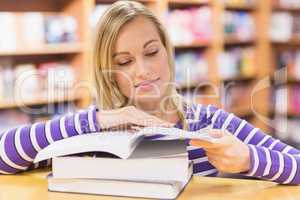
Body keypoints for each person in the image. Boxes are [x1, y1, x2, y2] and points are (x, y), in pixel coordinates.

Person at [1, 0, 300, 185]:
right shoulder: (88, 132)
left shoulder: (209, 125)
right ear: (107, 71)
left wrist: (249, 159)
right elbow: (4, 157)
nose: (142, 70)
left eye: (152, 52)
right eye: (124, 62)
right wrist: (98, 120)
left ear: (167, 52)